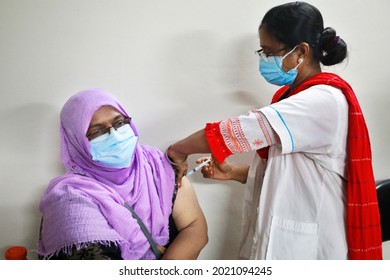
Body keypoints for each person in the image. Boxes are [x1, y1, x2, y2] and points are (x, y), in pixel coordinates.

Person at [166, 1, 382, 260]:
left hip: (312, 243)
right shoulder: (288, 98)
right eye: (262, 52)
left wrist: (177, 151)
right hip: (283, 235)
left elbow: (234, 132)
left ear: (301, 51)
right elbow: (290, 174)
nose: (265, 60)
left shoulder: (323, 100)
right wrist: (233, 172)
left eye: (270, 52)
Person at [37, 89, 208, 260]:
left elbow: (194, 227)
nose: (115, 135)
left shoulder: (156, 164)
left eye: (119, 123)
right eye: (97, 131)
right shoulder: (71, 198)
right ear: (77, 142)